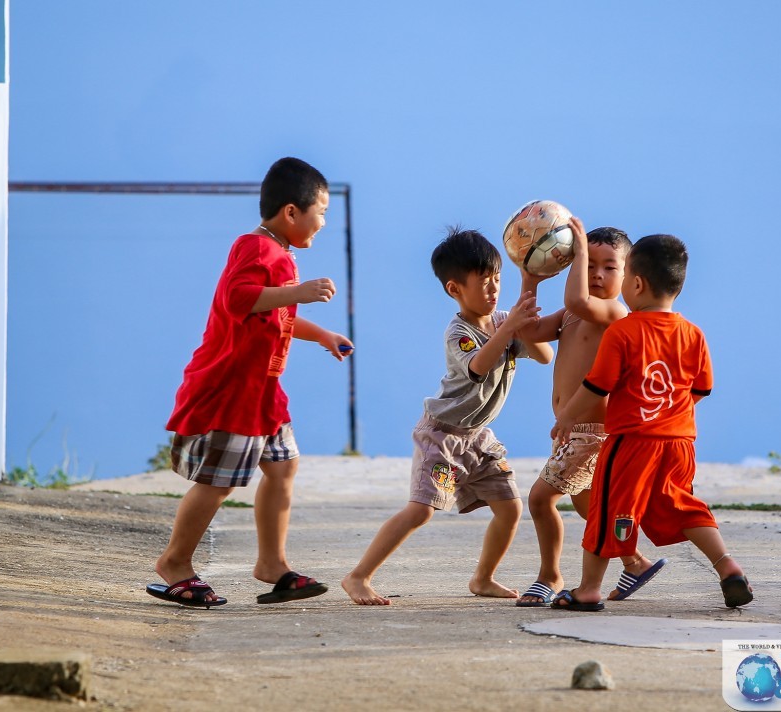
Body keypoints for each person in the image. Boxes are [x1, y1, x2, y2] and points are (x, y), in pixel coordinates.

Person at [146, 157, 353, 608]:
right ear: (291, 212)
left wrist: (322, 335)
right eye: (320, 211)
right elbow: (239, 299)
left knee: (282, 468)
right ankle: (175, 563)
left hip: (264, 390)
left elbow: (276, 314)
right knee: (219, 483)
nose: (323, 221)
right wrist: (298, 292)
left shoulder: (282, 256)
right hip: (234, 386)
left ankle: (272, 564)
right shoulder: (255, 248)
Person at [341, 228, 553, 605]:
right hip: (441, 435)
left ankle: (483, 579)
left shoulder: (503, 320)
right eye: (484, 282)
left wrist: (524, 317)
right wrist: (509, 326)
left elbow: (544, 355)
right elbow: (478, 367)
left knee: (510, 508)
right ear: (455, 289)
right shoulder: (459, 331)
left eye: (498, 280)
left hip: (478, 436)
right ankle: (358, 576)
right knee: (421, 511)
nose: (493, 290)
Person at [549, 233, 753, 611]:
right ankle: (728, 567)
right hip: (679, 443)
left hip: (631, 441)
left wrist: (566, 417)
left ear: (636, 283)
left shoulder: (623, 332)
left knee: (608, 509)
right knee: (684, 506)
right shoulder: (693, 333)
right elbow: (701, 390)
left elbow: (597, 386)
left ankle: (588, 589)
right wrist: (668, 411)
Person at [516, 218, 666, 607]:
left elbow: (578, 300)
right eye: (589, 265)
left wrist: (579, 251)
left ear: (629, 274)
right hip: (573, 431)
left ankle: (549, 575)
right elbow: (528, 332)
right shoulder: (570, 316)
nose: (597, 274)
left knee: (539, 500)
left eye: (608, 266)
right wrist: (531, 278)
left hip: (593, 433)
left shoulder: (615, 314)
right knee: (590, 506)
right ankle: (634, 562)